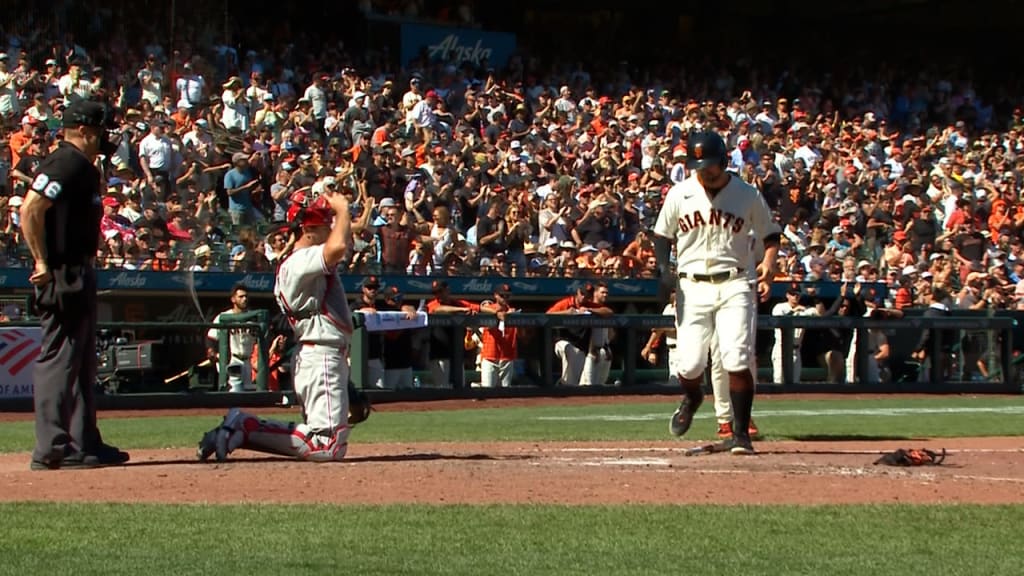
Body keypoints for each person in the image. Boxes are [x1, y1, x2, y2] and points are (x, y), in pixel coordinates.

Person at [197, 190, 355, 462]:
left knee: (322, 440)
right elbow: (337, 247)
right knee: (325, 445)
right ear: (307, 228)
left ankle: (235, 429)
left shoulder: (302, 260)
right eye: (324, 225)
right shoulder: (299, 260)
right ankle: (243, 426)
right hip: (320, 354)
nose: (330, 230)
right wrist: (342, 210)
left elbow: (341, 242)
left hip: (321, 353)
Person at [653, 130, 780, 455]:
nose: (704, 171)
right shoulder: (680, 194)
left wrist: (769, 261)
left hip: (735, 282)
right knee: (690, 364)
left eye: (709, 165)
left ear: (724, 161)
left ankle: (740, 433)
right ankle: (693, 396)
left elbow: (770, 234)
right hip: (691, 285)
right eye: (698, 165)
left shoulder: (746, 194)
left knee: (736, 356)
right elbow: (662, 235)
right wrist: (663, 269)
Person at [21, 99, 129, 470]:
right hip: (62, 272)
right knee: (60, 358)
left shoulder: (84, 167)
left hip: (80, 270)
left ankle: (84, 441)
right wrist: (40, 260)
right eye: (101, 130)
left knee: (82, 361)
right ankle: (51, 445)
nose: (106, 138)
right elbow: (30, 208)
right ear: (84, 131)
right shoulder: (65, 162)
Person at [206, 283, 258, 392]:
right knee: (234, 392)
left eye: (246, 296)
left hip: (248, 361)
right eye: (241, 297)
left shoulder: (254, 317)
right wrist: (211, 350)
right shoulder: (224, 316)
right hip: (232, 360)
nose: (244, 299)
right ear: (233, 299)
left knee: (247, 394)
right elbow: (211, 337)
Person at [478, 283, 519, 388]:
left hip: (507, 356)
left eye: (507, 295)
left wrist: (510, 315)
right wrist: (496, 312)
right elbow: (480, 309)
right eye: (502, 295)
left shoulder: (513, 311)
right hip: (490, 355)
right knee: (487, 390)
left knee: (505, 392)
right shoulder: (488, 309)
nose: (505, 298)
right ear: (496, 295)